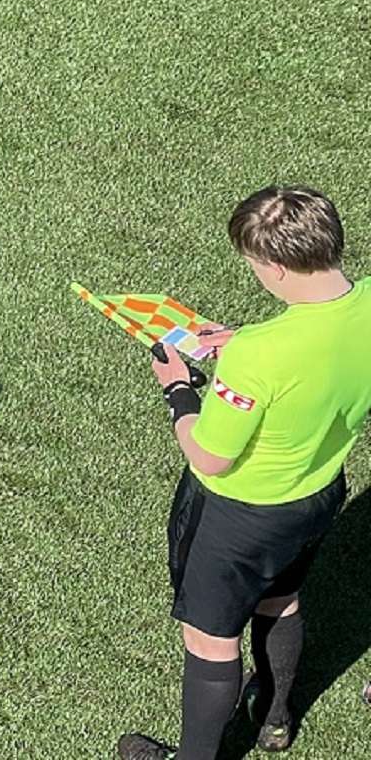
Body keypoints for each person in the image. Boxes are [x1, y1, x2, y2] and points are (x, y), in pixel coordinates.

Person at [118, 187, 371, 760]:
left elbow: (209, 457)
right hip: (318, 493)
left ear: (277, 268)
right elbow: (321, 347)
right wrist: (247, 340)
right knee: (280, 599)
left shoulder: (258, 356)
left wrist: (178, 392)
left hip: (240, 517)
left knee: (209, 641)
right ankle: (276, 719)